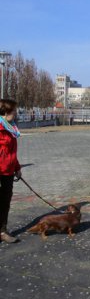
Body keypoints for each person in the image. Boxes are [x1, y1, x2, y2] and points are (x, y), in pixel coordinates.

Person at [0, 99, 22, 243]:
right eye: (14, 110)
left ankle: (3, 231)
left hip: (8, 171)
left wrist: (17, 168)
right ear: (6, 111)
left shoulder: (11, 128)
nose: (16, 113)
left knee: (5, 202)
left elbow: (12, 152)